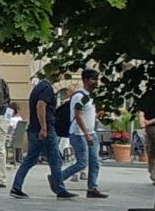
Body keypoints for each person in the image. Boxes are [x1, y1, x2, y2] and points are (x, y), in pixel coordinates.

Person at [10, 66, 72, 199]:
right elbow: (41, 106)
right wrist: (44, 128)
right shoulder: (47, 89)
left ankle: (16, 186)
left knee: (31, 159)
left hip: (34, 128)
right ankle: (60, 189)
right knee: (55, 159)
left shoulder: (38, 87)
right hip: (45, 129)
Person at [71, 68, 106, 197]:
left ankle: (92, 188)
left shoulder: (90, 97)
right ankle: (57, 178)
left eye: (97, 79)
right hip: (80, 134)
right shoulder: (80, 96)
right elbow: (78, 115)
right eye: (93, 79)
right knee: (82, 162)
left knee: (95, 161)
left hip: (91, 132)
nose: (95, 82)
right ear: (85, 80)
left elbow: (88, 114)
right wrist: (86, 134)